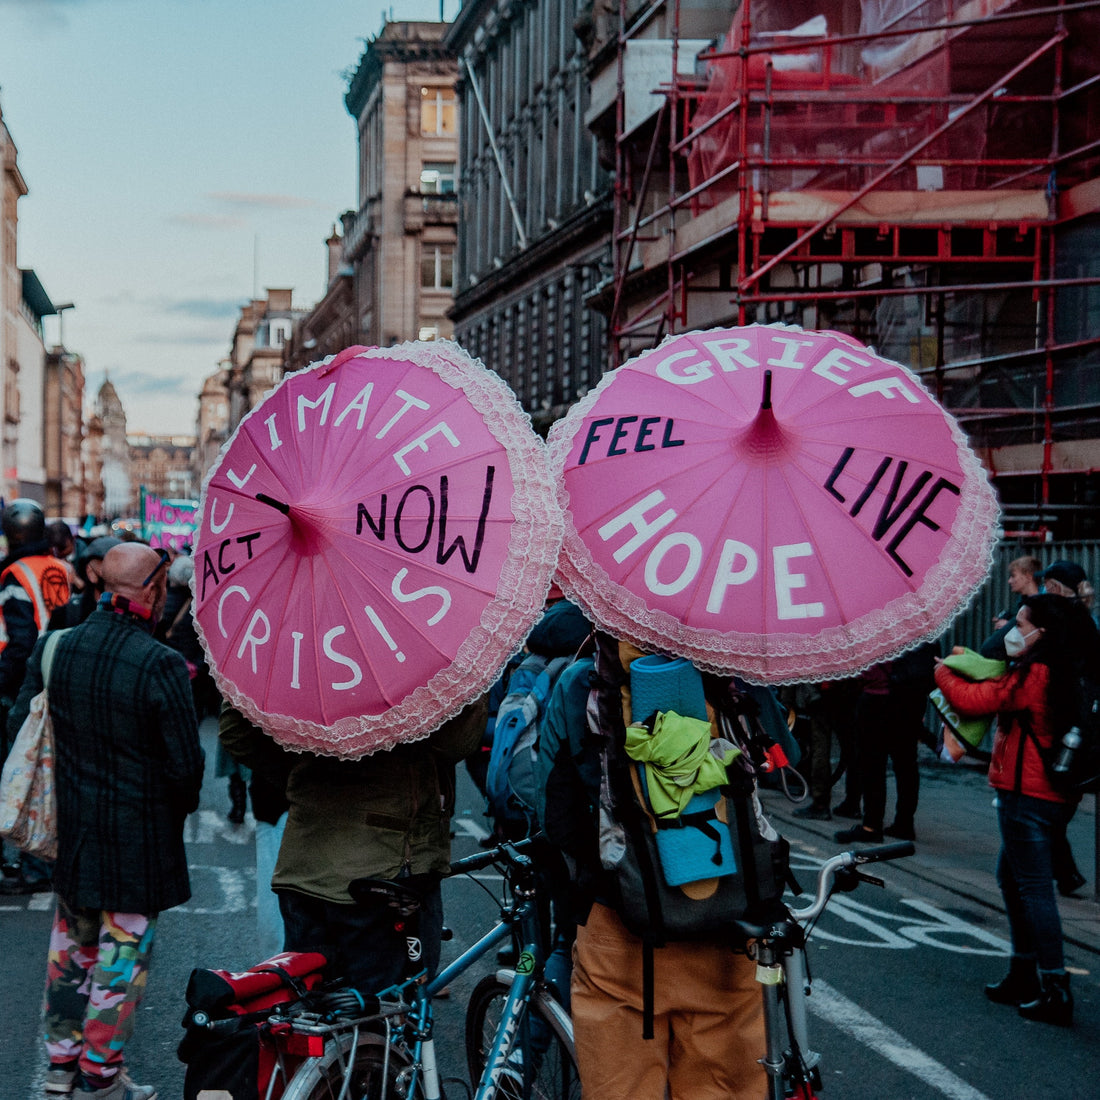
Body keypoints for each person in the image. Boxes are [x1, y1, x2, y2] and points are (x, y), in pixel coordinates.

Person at [7, 542, 204, 1098]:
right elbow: (186, 769)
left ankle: (58, 1070)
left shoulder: (58, 647)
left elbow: (22, 722)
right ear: (155, 590)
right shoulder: (160, 664)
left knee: (70, 954)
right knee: (121, 964)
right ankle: (101, 1077)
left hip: (74, 834)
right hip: (137, 845)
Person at [540, 632, 766, 1100]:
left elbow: (557, 815)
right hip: (726, 928)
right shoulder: (735, 676)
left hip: (620, 929)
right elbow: (787, 761)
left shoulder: (583, 683)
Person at [934, 593, 1099, 1027]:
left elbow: (977, 700)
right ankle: (1024, 972)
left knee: (1033, 890)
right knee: (1013, 879)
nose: (1012, 631)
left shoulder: (1038, 673)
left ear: (1043, 633)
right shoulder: (1063, 669)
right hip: (1048, 795)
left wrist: (941, 672)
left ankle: (1053, 986)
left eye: (1020, 624)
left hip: (1028, 795)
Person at [271, 697, 486, 994]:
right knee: (388, 1011)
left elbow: (238, 734)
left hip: (306, 859)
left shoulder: (295, 656)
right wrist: (475, 690)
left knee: (310, 1006)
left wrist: (308, 773)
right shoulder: (417, 659)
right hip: (384, 865)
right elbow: (454, 743)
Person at [0, 499, 72, 894]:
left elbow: (20, 637)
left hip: (25, 683)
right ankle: (46, 859)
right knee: (50, 770)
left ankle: (33, 866)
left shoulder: (14, 574)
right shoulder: (61, 567)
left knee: (24, 769)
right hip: (60, 672)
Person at [834, 643, 937, 844]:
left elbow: (864, 673)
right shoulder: (915, 627)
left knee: (872, 766)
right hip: (909, 702)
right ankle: (904, 823)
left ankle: (871, 826)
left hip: (877, 701)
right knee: (906, 765)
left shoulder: (877, 626)